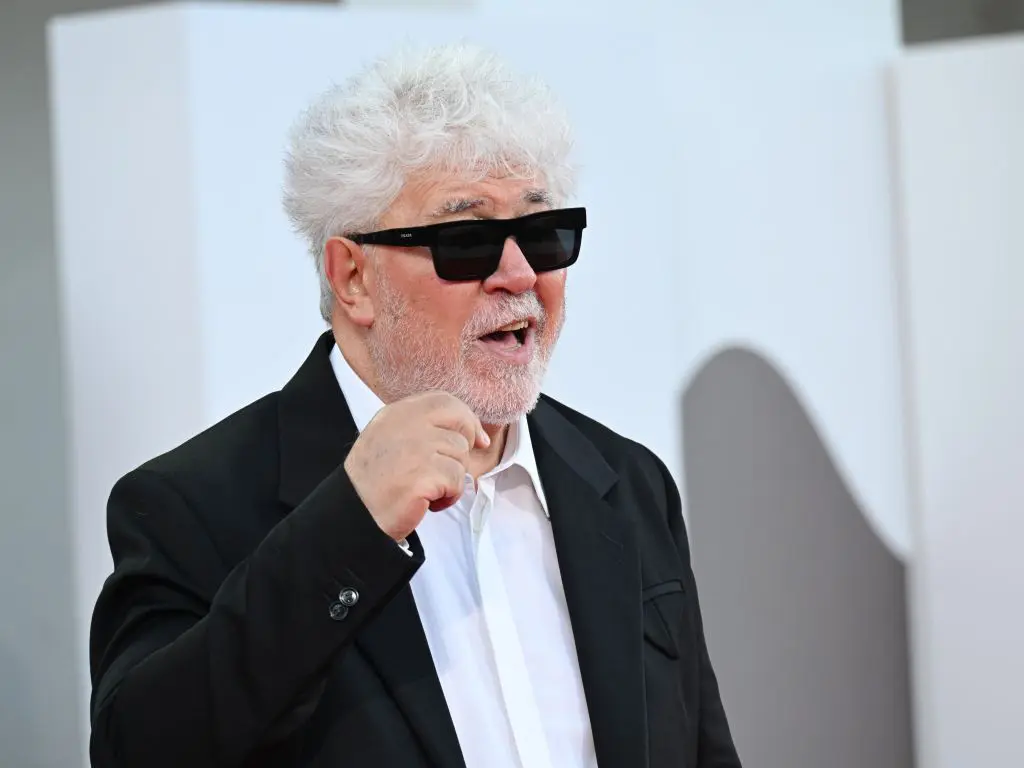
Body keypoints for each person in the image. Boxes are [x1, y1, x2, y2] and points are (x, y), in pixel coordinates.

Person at [88, 42, 741, 768]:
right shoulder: (192, 504)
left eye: (542, 232)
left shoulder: (628, 484)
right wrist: (349, 524)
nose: (519, 273)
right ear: (353, 278)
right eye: (466, 240)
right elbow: (138, 750)